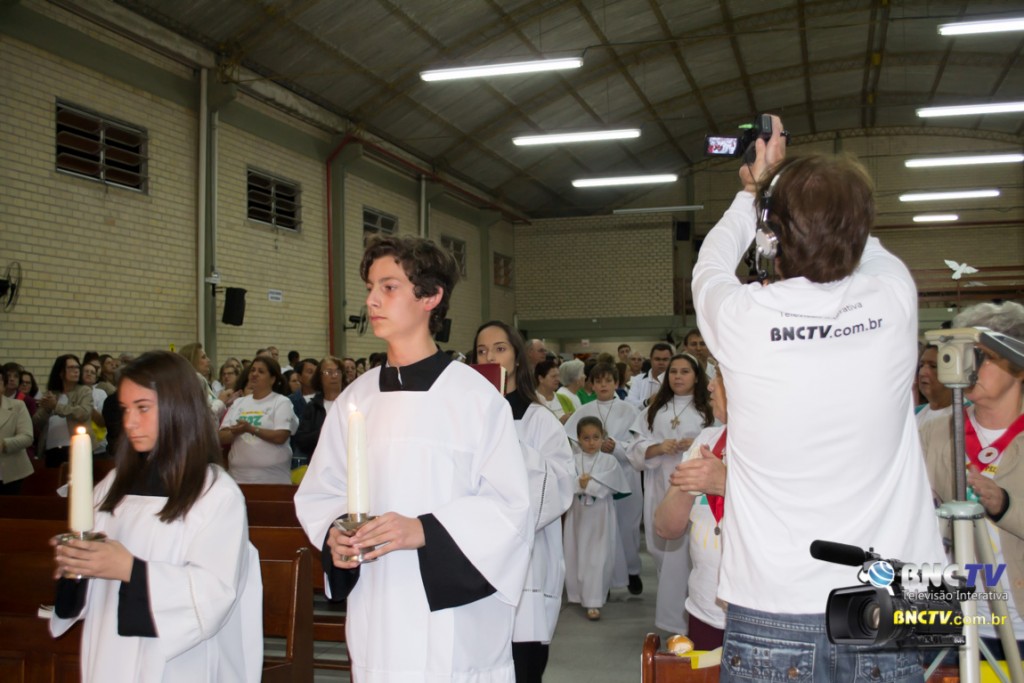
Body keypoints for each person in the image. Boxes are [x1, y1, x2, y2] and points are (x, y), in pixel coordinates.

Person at [691, 114, 943, 682]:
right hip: (896, 600)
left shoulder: (743, 317)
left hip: (772, 599)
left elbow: (710, 263)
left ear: (772, 239)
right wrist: (813, 201)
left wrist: (756, 190)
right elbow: (858, 241)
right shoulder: (894, 299)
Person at [294, 235, 532, 683]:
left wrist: (425, 529)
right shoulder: (356, 399)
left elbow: (511, 507)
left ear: (431, 297)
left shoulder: (476, 398)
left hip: (454, 618)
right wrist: (334, 534)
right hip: (378, 605)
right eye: (370, 287)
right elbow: (323, 490)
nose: (371, 300)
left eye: (388, 287)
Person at [49, 350, 262, 682]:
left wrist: (128, 569)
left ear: (179, 408)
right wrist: (77, 564)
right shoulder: (112, 486)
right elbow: (83, 592)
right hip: (109, 650)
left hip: (179, 662)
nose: (129, 422)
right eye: (125, 409)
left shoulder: (215, 493)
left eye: (143, 408)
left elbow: (213, 593)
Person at [921, 301, 1024, 660]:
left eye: (983, 356)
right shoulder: (932, 433)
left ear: (1018, 364)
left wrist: (1005, 506)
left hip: (1018, 627)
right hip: (953, 624)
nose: (969, 365)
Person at [473, 320, 574, 683]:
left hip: (527, 559)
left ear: (516, 358)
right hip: (475, 558)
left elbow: (560, 485)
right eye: (482, 351)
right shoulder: (466, 419)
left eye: (499, 348)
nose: (490, 357)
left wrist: (504, 439)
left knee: (524, 666)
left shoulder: (539, 419)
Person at [627, 353, 714, 634]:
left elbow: (722, 444)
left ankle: (691, 620)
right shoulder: (654, 410)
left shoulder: (708, 410)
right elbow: (634, 447)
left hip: (697, 493)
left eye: (685, 371)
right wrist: (657, 448)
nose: (678, 376)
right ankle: (674, 616)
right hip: (660, 486)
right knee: (662, 550)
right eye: (674, 371)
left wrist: (697, 444)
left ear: (697, 377)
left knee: (694, 552)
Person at [654, 370, 730, 650]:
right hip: (705, 608)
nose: (709, 385)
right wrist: (689, 484)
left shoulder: (780, 446)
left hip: (763, 614)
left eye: (719, 376)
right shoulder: (708, 439)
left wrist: (726, 485)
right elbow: (666, 528)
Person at [565, 363, 644, 596]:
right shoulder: (584, 410)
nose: (603, 385)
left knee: (627, 528)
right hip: (595, 477)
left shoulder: (630, 410)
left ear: (616, 383)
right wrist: (590, 450)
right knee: (601, 534)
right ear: (591, 384)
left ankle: (631, 571)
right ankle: (603, 582)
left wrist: (616, 446)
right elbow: (572, 442)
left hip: (624, 474)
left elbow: (639, 445)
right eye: (598, 381)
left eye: (608, 380)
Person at [564, 416, 630, 622]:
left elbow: (610, 485)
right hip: (578, 515)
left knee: (598, 556)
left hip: (601, 514)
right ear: (578, 439)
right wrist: (579, 483)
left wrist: (588, 485)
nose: (591, 442)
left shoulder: (609, 461)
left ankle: (593, 601)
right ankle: (577, 594)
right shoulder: (572, 460)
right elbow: (565, 482)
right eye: (586, 438)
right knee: (577, 553)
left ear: (603, 437)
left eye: (595, 437)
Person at [219, 356, 298, 484]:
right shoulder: (239, 402)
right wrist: (235, 431)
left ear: (272, 379)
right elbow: (221, 437)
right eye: (253, 370)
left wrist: (250, 429)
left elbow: (281, 436)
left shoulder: (281, 402)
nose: (255, 374)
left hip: (272, 479)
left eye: (261, 371)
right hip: (238, 477)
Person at [34, 354, 93, 467]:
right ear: (61, 372)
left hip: (75, 447)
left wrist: (56, 406)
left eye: (77, 367)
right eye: (71, 367)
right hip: (51, 448)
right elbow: (36, 422)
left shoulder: (84, 391)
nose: (76, 370)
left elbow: (83, 413)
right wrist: (47, 409)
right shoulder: (52, 393)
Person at [293, 355, 345, 462]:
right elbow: (302, 441)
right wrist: (322, 432)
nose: (334, 376)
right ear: (319, 377)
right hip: (320, 462)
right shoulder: (313, 407)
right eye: (328, 372)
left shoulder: (351, 403)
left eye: (338, 372)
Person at [177, 342, 228, 420]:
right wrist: (220, 401)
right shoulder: (197, 379)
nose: (208, 360)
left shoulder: (186, 381)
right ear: (192, 360)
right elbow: (205, 416)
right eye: (203, 357)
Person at [0, 386, 34, 494]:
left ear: (3, 386)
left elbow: (27, 437)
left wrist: (4, 444)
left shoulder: (17, 406)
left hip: (11, 473)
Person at [915, 345, 954, 430]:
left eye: (933, 366)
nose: (922, 373)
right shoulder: (916, 413)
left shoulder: (966, 415)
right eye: (921, 365)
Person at [626, 343, 673, 408]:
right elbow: (629, 403)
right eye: (657, 359)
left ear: (671, 361)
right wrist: (647, 402)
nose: (661, 363)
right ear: (650, 359)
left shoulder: (675, 380)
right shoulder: (638, 380)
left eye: (665, 359)